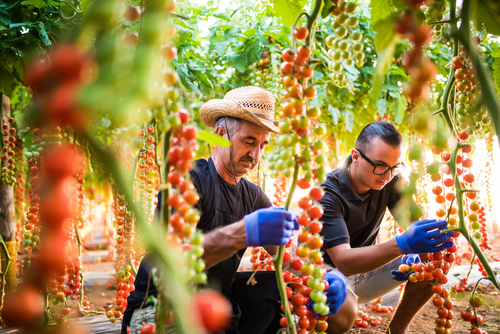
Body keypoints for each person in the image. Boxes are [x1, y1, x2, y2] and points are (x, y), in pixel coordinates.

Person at [123, 86, 347, 334]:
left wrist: (326, 275)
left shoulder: (253, 196)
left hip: (214, 307)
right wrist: (243, 232)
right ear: (220, 134)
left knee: (294, 290)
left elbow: (290, 259)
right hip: (161, 309)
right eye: (248, 141)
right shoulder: (188, 181)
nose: (254, 154)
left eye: (262, 145)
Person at [317, 121, 454, 334]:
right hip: (331, 275)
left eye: (395, 167)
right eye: (380, 165)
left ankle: (397, 330)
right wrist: (402, 244)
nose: (387, 175)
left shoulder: (389, 179)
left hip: (366, 270)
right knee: (342, 314)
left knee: (438, 251)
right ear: (355, 156)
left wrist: (421, 248)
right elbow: (343, 261)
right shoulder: (327, 194)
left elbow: (416, 224)